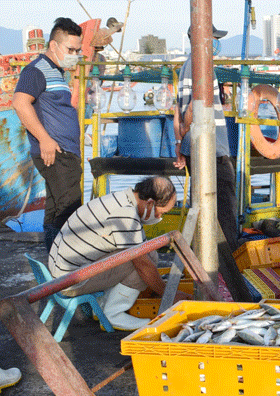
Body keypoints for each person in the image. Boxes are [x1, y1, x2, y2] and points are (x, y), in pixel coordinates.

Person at [48, 176, 190, 330]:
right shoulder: (125, 215)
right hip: (69, 281)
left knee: (148, 254)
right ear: (149, 203)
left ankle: (105, 301)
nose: (159, 217)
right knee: (141, 264)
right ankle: (112, 313)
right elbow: (143, 265)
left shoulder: (121, 198)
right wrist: (168, 293)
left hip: (60, 271)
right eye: (160, 212)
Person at [13, 18, 84, 252]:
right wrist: (45, 139)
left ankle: (54, 258)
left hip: (64, 153)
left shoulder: (57, 73)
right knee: (70, 208)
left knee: (56, 209)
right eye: (70, 49)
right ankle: (68, 264)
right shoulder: (36, 70)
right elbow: (21, 103)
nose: (75, 54)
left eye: (78, 49)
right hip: (57, 152)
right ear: (53, 46)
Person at [173, 25, 238, 251]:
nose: (216, 43)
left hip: (196, 147)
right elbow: (192, 108)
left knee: (203, 207)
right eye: (213, 38)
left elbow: (177, 109)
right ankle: (228, 269)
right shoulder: (201, 64)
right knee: (225, 212)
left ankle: (204, 258)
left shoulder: (185, 66)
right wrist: (183, 134)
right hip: (211, 150)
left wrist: (180, 144)